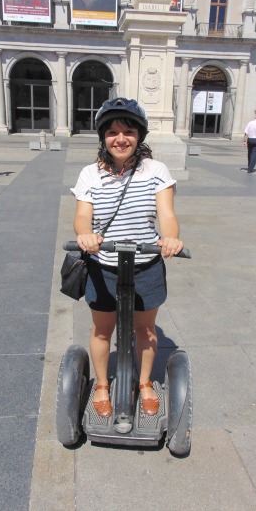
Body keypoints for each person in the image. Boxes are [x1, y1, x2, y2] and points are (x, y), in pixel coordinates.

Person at [71, 97, 183, 418]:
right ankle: (103, 384)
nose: (121, 138)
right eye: (113, 132)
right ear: (103, 136)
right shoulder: (90, 174)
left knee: (146, 331)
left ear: (140, 136)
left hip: (146, 265)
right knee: (102, 330)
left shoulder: (155, 170)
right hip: (103, 267)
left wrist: (171, 236)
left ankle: (145, 382)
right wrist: (85, 234)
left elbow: (167, 213)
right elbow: (82, 216)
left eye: (129, 131)